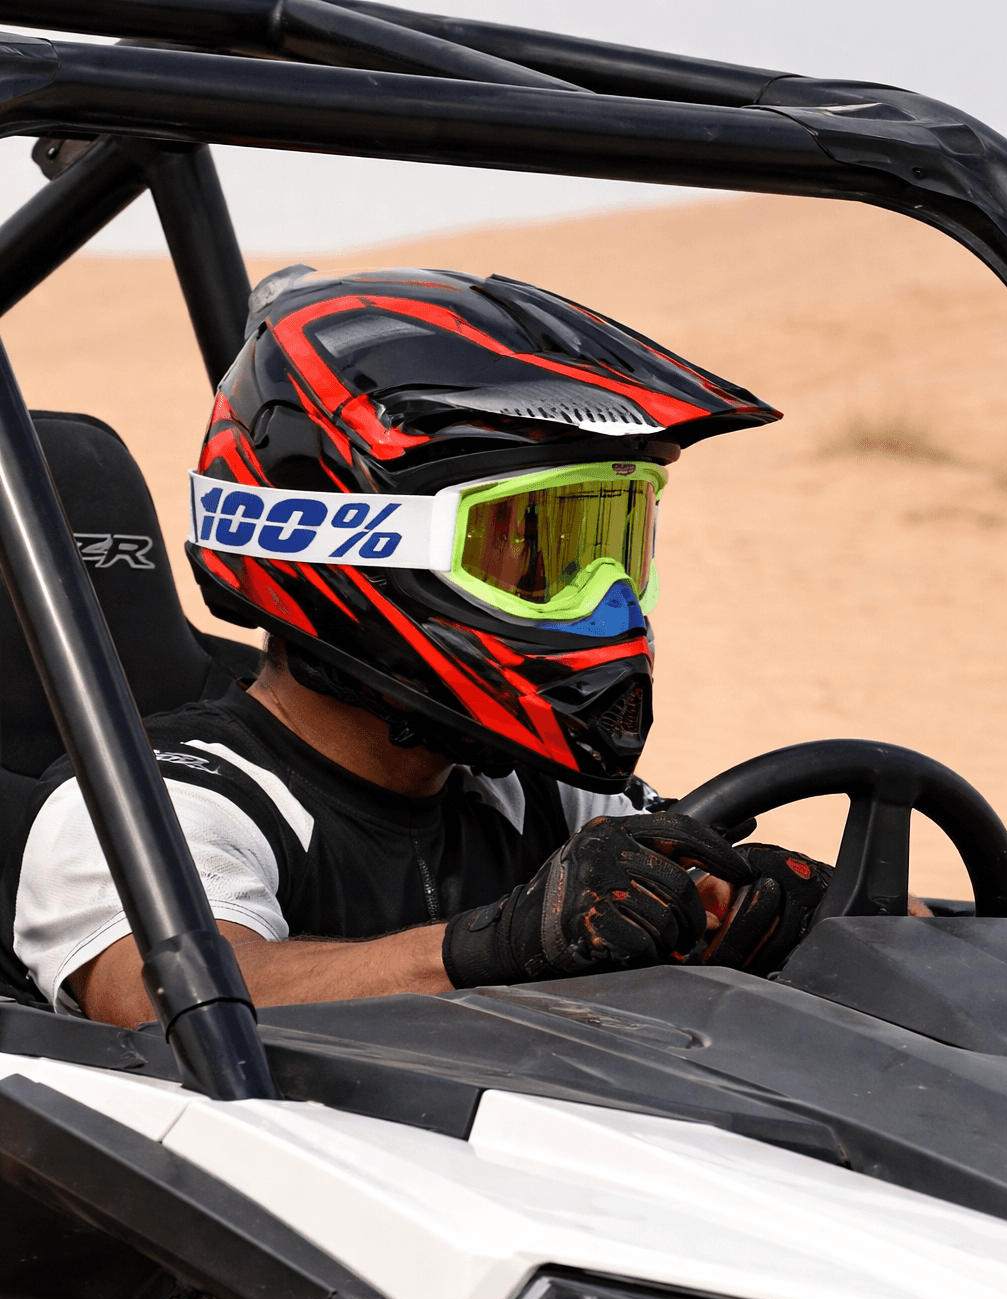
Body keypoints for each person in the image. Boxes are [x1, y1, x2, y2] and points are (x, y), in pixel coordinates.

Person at [0, 266, 833, 1028]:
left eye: (615, 543)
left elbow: (670, 885)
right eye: (531, 551)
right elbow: (166, 993)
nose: (606, 602)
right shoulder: (158, 804)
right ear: (345, 549)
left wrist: (772, 910)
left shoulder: (536, 797)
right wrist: (488, 946)